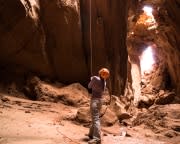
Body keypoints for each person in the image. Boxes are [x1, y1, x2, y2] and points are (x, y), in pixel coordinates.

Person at [87, 68, 110, 144]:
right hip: (100, 101)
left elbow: (89, 86)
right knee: (95, 118)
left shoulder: (95, 78)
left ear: (100, 72)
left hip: (94, 101)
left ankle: (97, 139)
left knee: (95, 119)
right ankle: (91, 134)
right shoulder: (104, 82)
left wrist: (91, 79)